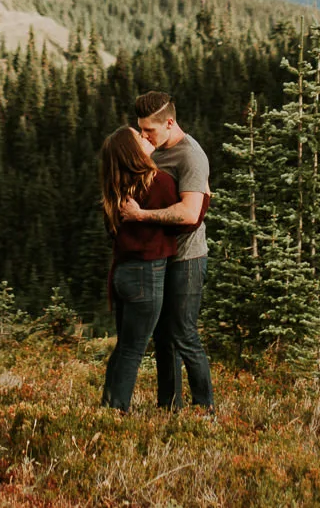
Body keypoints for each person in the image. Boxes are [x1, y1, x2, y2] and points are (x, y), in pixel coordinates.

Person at [120, 90, 213, 413]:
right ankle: (169, 407)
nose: (143, 136)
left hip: (186, 257)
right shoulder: (153, 150)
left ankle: (204, 408)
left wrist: (141, 216)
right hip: (159, 255)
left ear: (170, 122)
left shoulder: (190, 156)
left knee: (184, 333)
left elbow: (189, 213)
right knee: (163, 335)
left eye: (149, 130)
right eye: (140, 129)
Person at [97, 124, 180, 411]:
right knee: (133, 350)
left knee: (124, 346)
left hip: (123, 274)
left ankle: (109, 405)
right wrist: (204, 194)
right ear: (132, 152)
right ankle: (116, 410)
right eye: (138, 137)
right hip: (147, 273)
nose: (145, 137)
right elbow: (188, 218)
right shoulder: (158, 183)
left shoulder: (116, 188)